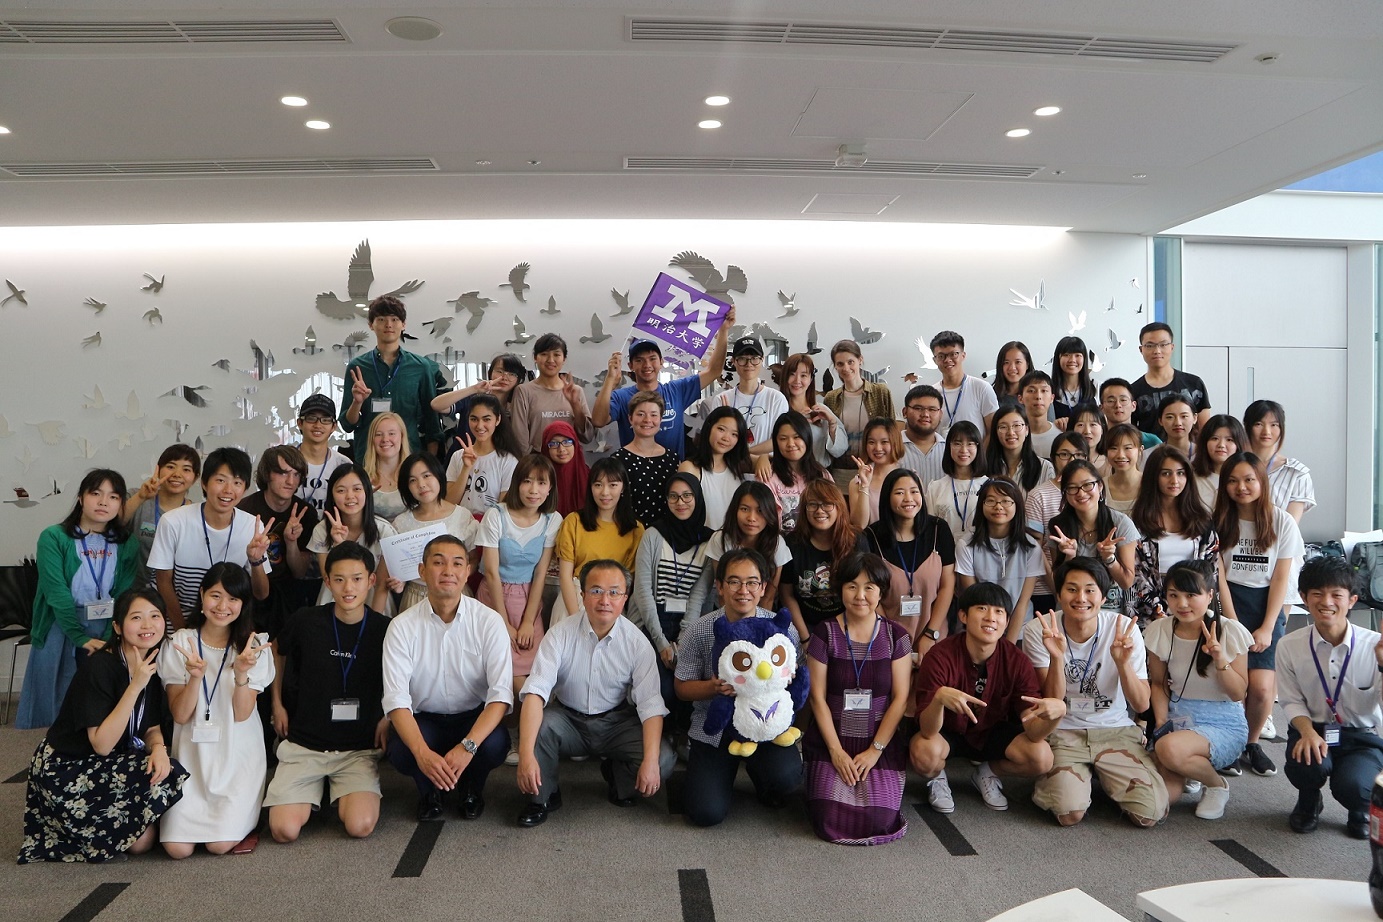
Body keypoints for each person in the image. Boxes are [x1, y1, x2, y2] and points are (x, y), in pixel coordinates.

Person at [18, 589, 188, 863]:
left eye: (155, 616)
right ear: (118, 627)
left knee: (165, 771)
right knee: (142, 841)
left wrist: (158, 748)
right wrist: (135, 687)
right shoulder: (99, 666)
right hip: (70, 766)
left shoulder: (154, 661)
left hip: (116, 759)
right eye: (136, 618)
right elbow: (101, 744)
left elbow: (151, 725)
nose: (147, 625)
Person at [515, 560, 676, 826]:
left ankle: (617, 777)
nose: (605, 600)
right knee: (538, 729)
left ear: (625, 598)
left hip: (616, 723)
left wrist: (650, 762)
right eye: (596, 591)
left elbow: (650, 704)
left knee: (662, 759)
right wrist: (525, 754)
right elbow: (535, 693)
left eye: (614, 592)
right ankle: (543, 796)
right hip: (568, 720)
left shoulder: (637, 643)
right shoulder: (559, 634)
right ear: (583, 595)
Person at [1022, 558, 1168, 827]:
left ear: (1103, 597)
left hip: (1116, 731)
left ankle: (1102, 774)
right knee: (1068, 814)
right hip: (1065, 732)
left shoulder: (1124, 629)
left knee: (1149, 814)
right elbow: (1052, 701)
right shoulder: (1040, 629)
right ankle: (1082, 779)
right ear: (1059, 594)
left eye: (1090, 590)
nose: (1081, 598)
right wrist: (1056, 657)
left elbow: (1141, 704)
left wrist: (1123, 663)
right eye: (1072, 589)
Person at [382, 535, 513, 822]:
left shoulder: (489, 622)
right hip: (425, 720)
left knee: (495, 745)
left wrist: (468, 747)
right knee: (402, 750)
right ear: (422, 570)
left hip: (472, 717)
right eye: (438, 563)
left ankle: (471, 787)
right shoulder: (401, 627)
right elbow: (396, 700)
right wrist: (422, 753)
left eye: (457, 563)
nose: (448, 571)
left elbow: (500, 695)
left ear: (467, 571)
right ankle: (429, 790)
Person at [265, 542, 390, 843]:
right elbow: (276, 650)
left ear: (371, 581)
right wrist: (277, 704)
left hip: (357, 749)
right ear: (327, 581)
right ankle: (315, 787)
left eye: (357, 579)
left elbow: (403, 679)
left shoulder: (385, 629)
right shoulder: (306, 620)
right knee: (283, 831)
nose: (349, 588)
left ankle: (333, 788)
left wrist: (389, 716)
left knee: (360, 826)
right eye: (339, 579)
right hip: (305, 745)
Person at [674, 549, 803, 827]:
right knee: (705, 813)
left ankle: (761, 776)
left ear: (763, 587)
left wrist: (787, 679)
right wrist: (713, 688)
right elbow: (681, 687)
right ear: (720, 587)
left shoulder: (780, 628)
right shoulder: (701, 629)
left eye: (752, 582)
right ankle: (718, 776)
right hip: (715, 728)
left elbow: (797, 675)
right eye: (734, 581)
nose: (743, 590)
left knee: (788, 778)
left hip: (766, 724)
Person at [912, 582, 1065, 814]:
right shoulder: (940, 656)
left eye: (999, 611)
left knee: (1042, 757)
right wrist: (939, 699)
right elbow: (927, 730)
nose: (991, 617)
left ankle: (988, 773)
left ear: (1007, 621)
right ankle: (937, 778)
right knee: (924, 753)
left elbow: (1033, 731)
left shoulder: (1017, 660)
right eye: (982, 608)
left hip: (992, 732)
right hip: (947, 731)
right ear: (963, 616)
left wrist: (1056, 715)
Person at [159, 564, 275, 857]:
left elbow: (242, 714)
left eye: (233, 599)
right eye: (215, 596)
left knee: (219, 845)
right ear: (201, 595)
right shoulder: (180, 642)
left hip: (237, 755)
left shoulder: (253, 645)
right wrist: (195, 678)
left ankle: (248, 822)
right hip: (192, 758)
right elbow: (180, 715)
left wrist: (241, 674)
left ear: (243, 603)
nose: (223, 606)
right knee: (176, 849)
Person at [17, 469, 139, 730]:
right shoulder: (54, 537)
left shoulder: (127, 543)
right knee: (58, 697)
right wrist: (79, 637)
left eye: (113, 497)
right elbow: (57, 593)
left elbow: (123, 593)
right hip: (60, 622)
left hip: (108, 624)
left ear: (120, 504)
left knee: (100, 698)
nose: (104, 502)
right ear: (81, 498)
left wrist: (109, 636)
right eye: (96, 494)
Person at [802, 553, 912, 844]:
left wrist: (875, 751)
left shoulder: (896, 636)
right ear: (840, 590)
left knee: (879, 818)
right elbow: (817, 698)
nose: (860, 595)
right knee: (828, 817)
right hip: (832, 740)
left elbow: (900, 699)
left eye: (869, 587)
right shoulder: (824, 633)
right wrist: (836, 752)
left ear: (881, 592)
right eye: (851, 586)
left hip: (878, 741)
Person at [1277, 556, 1383, 838]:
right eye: (1317, 593)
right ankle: (1309, 800)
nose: (1326, 602)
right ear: (1303, 598)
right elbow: (1290, 700)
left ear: (1352, 600)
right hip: (1312, 728)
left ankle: (1359, 809)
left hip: (1362, 737)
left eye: (1336, 594)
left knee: (1356, 787)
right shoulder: (1289, 646)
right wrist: (1307, 732)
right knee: (1306, 764)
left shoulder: (1374, 646)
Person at [1214, 451, 1304, 778]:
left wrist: (1267, 626)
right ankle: (1232, 744)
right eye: (1233, 481)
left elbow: (1281, 578)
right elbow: (1219, 576)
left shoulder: (1281, 521)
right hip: (1229, 603)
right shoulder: (1218, 521)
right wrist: (1232, 621)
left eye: (1249, 479)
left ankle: (1251, 743)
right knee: (1234, 686)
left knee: (1263, 688)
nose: (1241, 487)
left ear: (1262, 482)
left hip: (1267, 604)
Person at [1145, 560, 1250, 820]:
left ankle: (1216, 785)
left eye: (1191, 595)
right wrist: (1161, 724)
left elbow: (1238, 694)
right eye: (1173, 595)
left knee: (1169, 750)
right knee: (1163, 796)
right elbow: (1158, 684)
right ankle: (1189, 767)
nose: (1182, 604)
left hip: (1223, 723)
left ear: (1210, 595)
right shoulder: (1160, 629)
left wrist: (1220, 659)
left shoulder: (1230, 631)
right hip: (1178, 717)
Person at [476, 454, 562, 750]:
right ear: (516, 484)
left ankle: (527, 738)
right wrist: (504, 623)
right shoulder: (496, 515)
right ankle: (511, 736)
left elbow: (540, 573)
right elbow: (491, 572)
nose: (533, 490)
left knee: (533, 674)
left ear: (550, 488)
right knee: (509, 675)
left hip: (529, 601)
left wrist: (527, 621)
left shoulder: (552, 520)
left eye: (541, 483)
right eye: (527, 481)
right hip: (494, 599)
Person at [148, 447, 271, 629]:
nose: (228, 490)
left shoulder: (253, 526)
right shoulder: (173, 522)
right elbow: (163, 581)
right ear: (204, 483)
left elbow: (261, 594)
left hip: (226, 623)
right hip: (176, 621)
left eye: (237, 482)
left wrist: (256, 561)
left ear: (245, 488)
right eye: (220, 480)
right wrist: (183, 633)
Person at [630, 473, 714, 738]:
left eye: (687, 496)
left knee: (689, 682)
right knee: (663, 688)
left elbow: (699, 596)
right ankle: (657, 739)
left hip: (689, 623)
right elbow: (642, 591)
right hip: (651, 621)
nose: (681, 502)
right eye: (674, 496)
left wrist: (684, 639)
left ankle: (682, 737)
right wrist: (662, 643)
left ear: (697, 498)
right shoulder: (653, 535)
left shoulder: (710, 542)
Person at [592, 310, 733, 461]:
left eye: (652, 358)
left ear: (661, 362)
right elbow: (598, 421)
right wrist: (610, 380)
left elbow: (714, 371)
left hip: (673, 471)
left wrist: (723, 330)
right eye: (639, 360)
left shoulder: (677, 390)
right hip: (633, 471)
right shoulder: (621, 397)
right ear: (630, 365)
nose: (647, 365)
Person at [341, 294, 445, 463]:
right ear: (371, 325)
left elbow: (431, 420)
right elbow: (347, 424)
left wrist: (430, 459)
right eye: (381, 319)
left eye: (394, 319)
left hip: (408, 455)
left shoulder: (420, 367)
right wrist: (357, 402)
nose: (388, 324)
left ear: (403, 324)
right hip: (368, 456)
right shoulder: (357, 367)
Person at [1129, 445, 1223, 628]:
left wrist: (1196, 607)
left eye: (1180, 473)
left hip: (1196, 610)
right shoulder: (1138, 522)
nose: (1174, 480)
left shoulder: (1202, 520)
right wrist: (1162, 614)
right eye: (1166, 473)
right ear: (1153, 477)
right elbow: (1138, 576)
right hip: (1151, 617)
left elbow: (1211, 570)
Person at [864, 469, 955, 648]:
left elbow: (947, 585)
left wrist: (931, 634)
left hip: (934, 637)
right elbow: (870, 592)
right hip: (887, 638)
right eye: (899, 493)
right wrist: (891, 637)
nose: (908, 498)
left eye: (914, 491)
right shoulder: (871, 536)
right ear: (887, 498)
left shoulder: (939, 529)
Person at [553, 457, 644, 625]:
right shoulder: (574, 521)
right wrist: (576, 620)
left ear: (623, 487)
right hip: (574, 599)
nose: (605, 492)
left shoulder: (635, 529)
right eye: (598, 485)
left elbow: (629, 582)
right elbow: (565, 576)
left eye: (613, 485)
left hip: (613, 605)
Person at [238, 445, 318, 634]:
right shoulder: (244, 510)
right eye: (283, 473)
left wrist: (291, 543)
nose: (291, 481)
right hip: (250, 593)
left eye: (296, 474)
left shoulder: (306, 513)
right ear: (267, 474)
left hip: (290, 594)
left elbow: (299, 572)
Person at [1046, 460, 1138, 611]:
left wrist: (1109, 559)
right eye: (1072, 488)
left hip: (1110, 612)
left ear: (1100, 486)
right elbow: (1058, 583)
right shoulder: (1058, 526)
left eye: (1087, 485)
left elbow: (1126, 582)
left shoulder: (1121, 523)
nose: (1081, 493)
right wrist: (1069, 556)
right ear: (1065, 493)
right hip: (1071, 610)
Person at [781, 480, 867, 640]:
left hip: (849, 624)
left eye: (827, 504)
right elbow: (787, 594)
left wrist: (847, 634)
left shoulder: (857, 541)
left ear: (839, 506)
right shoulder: (792, 543)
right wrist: (805, 638)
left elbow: (866, 590)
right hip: (805, 625)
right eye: (812, 504)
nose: (819, 510)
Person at [958, 479, 1043, 642]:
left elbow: (1023, 602)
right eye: (991, 501)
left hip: (1020, 630)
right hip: (981, 629)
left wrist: (1007, 647)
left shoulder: (1031, 546)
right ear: (981, 504)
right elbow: (974, 599)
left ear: (1017, 505)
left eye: (1006, 501)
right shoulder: (966, 545)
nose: (998, 506)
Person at [394, 451, 479, 611]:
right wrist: (397, 582)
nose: (421, 484)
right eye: (412, 480)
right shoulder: (401, 523)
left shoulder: (462, 515)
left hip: (455, 595)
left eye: (426, 476)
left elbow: (473, 559)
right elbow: (398, 570)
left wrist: (456, 577)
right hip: (416, 597)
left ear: (439, 476)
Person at [306, 464, 396, 612]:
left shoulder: (384, 531)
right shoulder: (322, 530)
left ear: (367, 492)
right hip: (335, 600)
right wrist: (340, 545)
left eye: (357, 489)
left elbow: (381, 585)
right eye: (341, 490)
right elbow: (330, 580)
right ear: (332, 495)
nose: (350, 496)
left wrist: (374, 620)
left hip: (375, 601)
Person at [1023, 432, 1088, 617]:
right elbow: (1035, 546)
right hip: (1044, 588)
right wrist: (1057, 587)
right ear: (1053, 458)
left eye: (1079, 454)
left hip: (1083, 586)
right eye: (1065, 454)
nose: (1072, 460)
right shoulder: (1038, 496)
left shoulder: (1091, 493)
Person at [705, 480, 793, 608]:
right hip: (727, 610)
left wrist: (756, 621)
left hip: (762, 612)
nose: (751, 518)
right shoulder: (720, 539)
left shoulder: (777, 544)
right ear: (735, 510)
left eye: (760, 510)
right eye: (744, 509)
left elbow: (768, 598)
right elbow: (723, 594)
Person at [823, 339, 896, 491]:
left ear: (860, 360)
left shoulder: (880, 392)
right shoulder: (831, 398)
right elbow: (829, 438)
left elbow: (892, 433)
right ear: (835, 366)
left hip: (875, 470)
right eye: (840, 364)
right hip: (841, 472)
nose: (846, 368)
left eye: (850, 362)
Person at [124, 444, 200, 588]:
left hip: (173, 593)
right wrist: (140, 497)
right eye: (171, 467)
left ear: (195, 478)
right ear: (158, 470)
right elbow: (113, 524)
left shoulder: (197, 515)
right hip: (133, 591)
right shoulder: (137, 496)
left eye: (186, 469)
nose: (177, 474)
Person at [696, 337, 788, 455]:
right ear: (734, 361)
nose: (749, 364)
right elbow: (714, 440)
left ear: (762, 360)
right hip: (730, 465)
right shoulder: (721, 399)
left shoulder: (776, 398)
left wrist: (744, 454)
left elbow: (781, 438)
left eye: (754, 358)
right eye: (742, 359)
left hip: (765, 465)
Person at [509, 334, 595, 454]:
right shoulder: (523, 391)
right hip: (538, 461)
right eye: (544, 354)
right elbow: (520, 439)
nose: (550, 360)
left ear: (564, 359)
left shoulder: (575, 391)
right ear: (535, 357)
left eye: (556, 355)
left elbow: (587, 437)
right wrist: (533, 462)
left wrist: (575, 404)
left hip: (569, 460)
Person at [431, 353, 528, 454]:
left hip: (499, 460)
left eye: (512, 374)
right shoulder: (474, 399)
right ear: (490, 373)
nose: (505, 377)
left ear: (519, 379)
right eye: (500, 371)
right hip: (463, 456)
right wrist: (474, 389)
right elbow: (436, 405)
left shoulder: (519, 406)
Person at [1129, 322, 1212, 435]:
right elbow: (1131, 434)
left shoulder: (1194, 383)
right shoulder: (1133, 391)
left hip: (1189, 447)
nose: (1157, 351)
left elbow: (1205, 430)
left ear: (1172, 347)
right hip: (1152, 447)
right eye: (1150, 345)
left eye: (1163, 345)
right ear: (1141, 349)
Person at [614, 390, 681, 527]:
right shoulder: (617, 460)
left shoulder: (672, 459)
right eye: (640, 414)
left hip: (667, 533)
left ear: (661, 419)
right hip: (630, 531)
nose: (647, 420)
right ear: (630, 418)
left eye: (654, 415)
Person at [680, 405, 753, 530]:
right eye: (721, 429)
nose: (726, 438)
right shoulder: (690, 468)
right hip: (703, 540)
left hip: (734, 539)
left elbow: (773, 461)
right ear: (709, 427)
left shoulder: (737, 464)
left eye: (734, 434)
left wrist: (763, 459)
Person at [446, 394, 520, 516]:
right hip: (459, 523)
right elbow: (449, 502)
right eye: (474, 419)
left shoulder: (508, 461)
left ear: (498, 420)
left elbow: (504, 510)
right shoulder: (457, 456)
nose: (480, 426)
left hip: (490, 524)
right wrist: (466, 468)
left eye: (486, 419)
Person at [755, 410, 829, 532]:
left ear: (807, 438)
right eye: (783, 438)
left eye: (797, 437)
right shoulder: (767, 475)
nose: (790, 444)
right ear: (776, 442)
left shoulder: (822, 474)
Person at [1244, 399, 1315, 524]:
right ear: (1247, 426)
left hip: (1278, 535)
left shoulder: (1297, 474)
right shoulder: (1233, 467)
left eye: (1274, 425)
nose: (1266, 431)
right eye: (1259, 424)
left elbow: (1290, 526)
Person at [925, 420, 989, 546]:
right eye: (957, 443)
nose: (963, 450)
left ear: (978, 447)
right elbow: (929, 529)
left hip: (980, 550)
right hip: (944, 552)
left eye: (970, 444)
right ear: (949, 446)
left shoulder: (988, 485)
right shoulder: (935, 487)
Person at [780, 352, 847, 469]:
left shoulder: (821, 411)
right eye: (792, 374)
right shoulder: (778, 410)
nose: (797, 380)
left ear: (811, 379)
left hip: (818, 475)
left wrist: (832, 424)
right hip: (785, 474)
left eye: (803, 375)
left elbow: (839, 450)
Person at [930, 330, 998, 439]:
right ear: (935, 360)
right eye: (941, 356)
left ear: (963, 355)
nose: (948, 360)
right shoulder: (931, 394)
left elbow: (993, 432)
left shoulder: (982, 388)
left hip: (976, 450)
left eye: (953, 354)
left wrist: (981, 451)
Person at [293, 394, 351, 514]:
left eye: (325, 420)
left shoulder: (343, 464)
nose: (318, 425)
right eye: (311, 418)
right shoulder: (284, 461)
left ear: (333, 426)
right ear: (300, 423)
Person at [984, 404, 1054, 502]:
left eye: (1016, 426)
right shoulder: (985, 467)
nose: (1011, 432)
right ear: (995, 432)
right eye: (1003, 427)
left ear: (1027, 430)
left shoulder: (1045, 468)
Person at [848, 417, 903, 528]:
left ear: (895, 443)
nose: (878, 448)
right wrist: (865, 486)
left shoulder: (910, 479)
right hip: (871, 538)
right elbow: (859, 525)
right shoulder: (857, 482)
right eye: (871, 442)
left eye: (884, 442)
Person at [361, 411, 409, 521]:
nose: (385, 439)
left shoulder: (414, 475)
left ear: (402, 436)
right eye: (378, 434)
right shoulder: (362, 479)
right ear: (372, 440)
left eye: (391, 433)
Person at [1192, 414, 1247, 509]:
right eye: (1215, 438)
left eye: (1229, 439)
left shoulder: (1247, 479)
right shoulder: (1190, 477)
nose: (1221, 445)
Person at [898, 384, 946, 486]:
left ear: (940, 415)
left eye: (932, 409)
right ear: (905, 412)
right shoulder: (891, 448)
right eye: (918, 408)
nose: (925, 414)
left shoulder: (949, 450)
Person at [540, 420, 590, 517]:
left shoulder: (590, 476)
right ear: (546, 448)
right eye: (554, 444)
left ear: (575, 444)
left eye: (567, 442)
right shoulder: (538, 478)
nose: (561, 449)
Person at [1099, 378, 1161, 451]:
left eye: (1123, 400)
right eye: (1111, 401)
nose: (1118, 405)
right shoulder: (1096, 441)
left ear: (1133, 406)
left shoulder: (1152, 442)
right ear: (1101, 408)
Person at [1050, 336, 1096, 426]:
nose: (1072, 360)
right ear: (1058, 358)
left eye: (1077, 355)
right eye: (1066, 355)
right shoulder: (1048, 390)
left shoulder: (1096, 386)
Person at [1101, 424, 1144, 514]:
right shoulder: (1100, 488)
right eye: (1114, 448)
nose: (1120, 455)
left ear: (1140, 450)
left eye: (1127, 448)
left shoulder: (1152, 484)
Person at [1018, 371, 1059, 460]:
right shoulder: (1015, 435)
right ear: (1020, 398)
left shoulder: (1061, 434)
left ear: (1052, 398)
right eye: (1031, 391)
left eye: (1044, 391)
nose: (1038, 396)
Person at [1068, 403, 1110, 475]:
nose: (1087, 431)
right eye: (1080, 425)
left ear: (1102, 429)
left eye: (1093, 424)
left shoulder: (1111, 462)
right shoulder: (1065, 460)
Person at [992, 341, 1034, 410]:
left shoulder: (1040, 395)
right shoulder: (990, 396)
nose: (1012, 368)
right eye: (1006, 362)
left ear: (1027, 365)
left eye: (1018, 362)